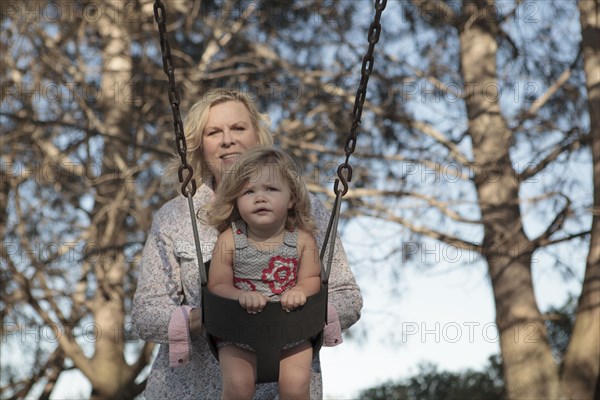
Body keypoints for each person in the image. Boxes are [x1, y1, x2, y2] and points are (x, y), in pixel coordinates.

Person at [132, 88, 362, 399]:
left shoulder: (305, 211)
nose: (228, 139)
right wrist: (212, 315)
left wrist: (296, 311)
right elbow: (146, 314)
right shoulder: (176, 217)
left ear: (258, 136)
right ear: (200, 147)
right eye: (214, 132)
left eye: (238, 128)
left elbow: (347, 297)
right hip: (189, 390)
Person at [205, 146, 322, 399]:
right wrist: (238, 295)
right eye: (249, 191)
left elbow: (313, 279)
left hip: (290, 329)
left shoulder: (302, 241)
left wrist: (301, 290)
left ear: (291, 198)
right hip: (238, 332)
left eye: (271, 189)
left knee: (296, 384)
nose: (260, 197)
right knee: (238, 386)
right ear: (236, 200)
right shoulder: (229, 240)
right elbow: (216, 285)